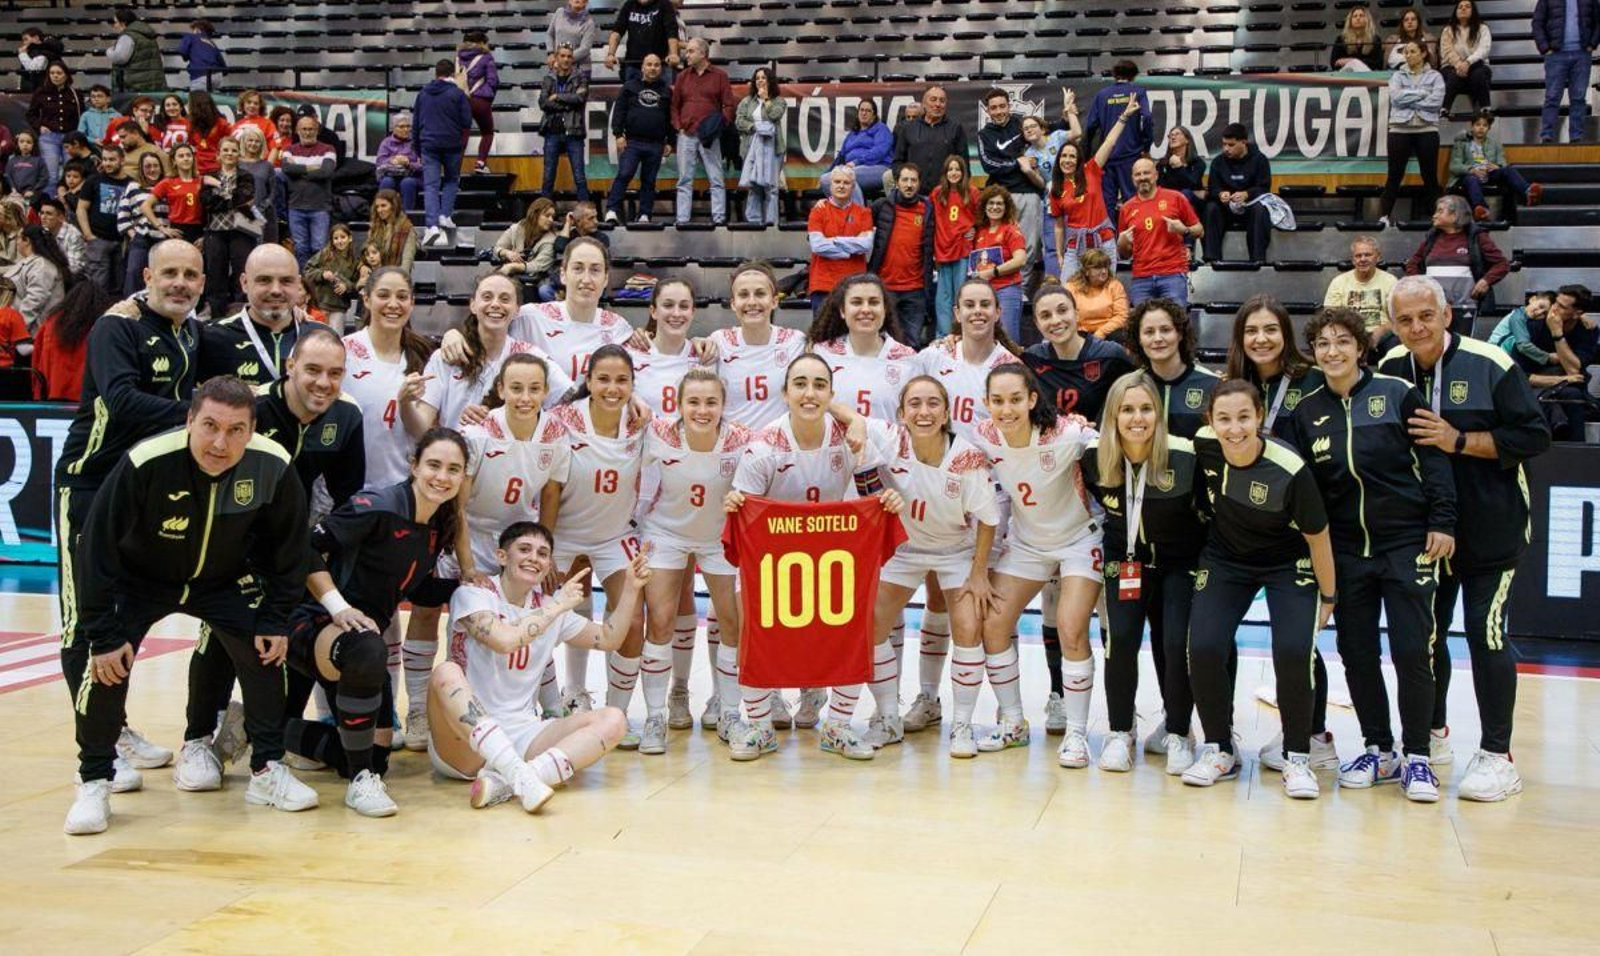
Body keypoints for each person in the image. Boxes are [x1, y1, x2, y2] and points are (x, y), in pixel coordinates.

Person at [62, 376, 314, 835]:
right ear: (189, 421)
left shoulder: (273, 465)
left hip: (220, 581)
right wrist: (103, 634)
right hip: (139, 580)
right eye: (210, 427)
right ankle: (94, 779)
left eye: (236, 430)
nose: (221, 442)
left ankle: (267, 768)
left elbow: (290, 551)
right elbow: (95, 549)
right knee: (106, 666)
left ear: (253, 430)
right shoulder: (146, 461)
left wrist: (275, 618)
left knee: (266, 651)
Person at [1377, 275, 1551, 801]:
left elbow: (1534, 436)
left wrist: (1460, 441)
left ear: (1447, 315)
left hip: (1491, 528)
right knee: (1426, 635)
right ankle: (1432, 733)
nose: (1416, 327)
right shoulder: (1389, 370)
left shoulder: (1490, 364)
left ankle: (1499, 755)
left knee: (1485, 633)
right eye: (1404, 319)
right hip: (1425, 532)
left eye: (1425, 316)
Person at [180, 329, 367, 780]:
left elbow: (349, 501)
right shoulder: (253, 409)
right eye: (313, 371)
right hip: (232, 539)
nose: (323, 382)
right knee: (221, 636)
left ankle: (268, 736)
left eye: (335, 373)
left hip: (291, 543)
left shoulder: (346, 417)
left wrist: (322, 549)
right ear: (290, 368)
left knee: (287, 634)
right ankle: (196, 739)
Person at [1290, 307, 1456, 802]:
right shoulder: (1307, 411)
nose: (1333, 351)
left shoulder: (1397, 394)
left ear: (1361, 348)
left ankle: (1419, 757)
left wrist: (1442, 521)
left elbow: (1434, 459)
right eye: (1322, 344)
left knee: (1412, 651)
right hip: (1346, 553)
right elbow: (1306, 488)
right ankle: (1379, 749)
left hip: (1407, 544)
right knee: (1357, 653)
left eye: (1342, 341)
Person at [53, 241, 204, 780]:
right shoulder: (117, 328)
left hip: (142, 491)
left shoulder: (191, 331)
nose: (179, 283)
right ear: (147, 275)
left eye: (190, 274)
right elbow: (121, 400)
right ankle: (99, 743)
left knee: (124, 615)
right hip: (89, 485)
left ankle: (114, 725)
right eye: (170, 273)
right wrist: (202, 414)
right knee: (83, 621)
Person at [723, 353, 902, 761]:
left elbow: (872, 489)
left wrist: (885, 500)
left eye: (819, 385)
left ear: (831, 394)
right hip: (771, 561)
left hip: (830, 555)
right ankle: (759, 726)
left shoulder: (849, 436)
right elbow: (744, 510)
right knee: (751, 623)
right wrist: (736, 502)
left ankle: (837, 726)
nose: (810, 393)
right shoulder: (763, 446)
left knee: (854, 625)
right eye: (800, 384)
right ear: (785, 394)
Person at [286, 428, 469, 816]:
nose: (442, 476)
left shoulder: (436, 527)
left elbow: (418, 591)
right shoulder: (379, 504)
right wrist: (338, 607)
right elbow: (305, 548)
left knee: (378, 751)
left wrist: (473, 589)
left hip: (359, 639)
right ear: (414, 465)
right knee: (370, 647)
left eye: (454, 469)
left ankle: (260, 729)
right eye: (434, 465)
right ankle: (360, 782)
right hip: (309, 620)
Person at [1183, 380, 1337, 797]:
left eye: (1244, 417)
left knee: (1292, 650)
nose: (1234, 428)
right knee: (1204, 646)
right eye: (1224, 419)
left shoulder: (1289, 468)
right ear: (1210, 421)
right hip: (1226, 559)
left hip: (1288, 563)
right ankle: (1219, 748)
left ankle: (1298, 756)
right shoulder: (1204, 444)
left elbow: (1318, 537)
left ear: (1259, 417)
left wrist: (1328, 596)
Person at [428, 522, 641, 810]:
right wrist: (557, 606)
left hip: (523, 734)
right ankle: (517, 772)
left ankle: (516, 778)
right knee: (445, 672)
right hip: (465, 741)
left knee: (614, 720)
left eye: (543, 553)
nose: (534, 558)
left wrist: (631, 588)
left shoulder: (552, 606)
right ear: (502, 556)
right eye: (524, 549)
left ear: (549, 564)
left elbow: (609, 638)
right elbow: (505, 641)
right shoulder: (474, 594)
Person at [841, 376, 999, 756]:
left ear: (946, 412)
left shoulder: (967, 457)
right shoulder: (890, 438)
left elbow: (989, 519)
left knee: (967, 625)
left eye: (932, 404)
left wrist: (978, 572)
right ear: (901, 412)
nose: (923, 412)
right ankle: (888, 717)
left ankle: (962, 724)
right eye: (915, 404)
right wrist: (858, 422)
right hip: (905, 550)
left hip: (954, 551)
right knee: (869, 624)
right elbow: (836, 407)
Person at [971, 363, 1100, 763]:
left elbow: (1110, 448)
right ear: (986, 403)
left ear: (1031, 400)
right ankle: (1013, 722)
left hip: (1080, 538)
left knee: (1071, 627)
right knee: (992, 624)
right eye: (997, 401)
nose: (1005, 409)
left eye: (1014, 399)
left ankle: (1077, 734)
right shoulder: (982, 437)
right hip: (1028, 543)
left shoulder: (1068, 434)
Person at [1080, 371, 1206, 773]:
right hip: (1125, 559)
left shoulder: (1186, 456)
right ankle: (1120, 732)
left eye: (1146, 409)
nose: (1138, 418)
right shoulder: (1094, 457)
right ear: (1113, 416)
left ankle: (1179, 731)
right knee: (1120, 640)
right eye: (1127, 410)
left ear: (1159, 413)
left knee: (1174, 643)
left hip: (1179, 563)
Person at [635, 369, 751, 754]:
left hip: (719, 537)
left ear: (723, 406)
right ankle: (655, 716)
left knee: (732, 622)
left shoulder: (741, 441)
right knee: (661, 621)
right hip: (666, 533)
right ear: (678, 405)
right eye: (694, 402)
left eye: (711, 402)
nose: (702, 410)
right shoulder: (657, 433)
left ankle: (731, 712)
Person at [807, 273, 920, 423]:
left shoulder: (908, 359)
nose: (865, 309)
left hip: (887, 446)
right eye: (856, 302)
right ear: (842, 310)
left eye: (873, 302)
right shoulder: (822, 353)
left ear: (885, 309)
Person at [1052, 96, 1138, 281]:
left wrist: (1124, 116)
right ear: (1058, 159)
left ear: (1078, 160)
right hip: (1075, 247)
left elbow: (1109, 142)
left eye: (1072, 156)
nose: (1067, 160)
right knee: (1069, 292)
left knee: (1106, 292)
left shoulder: (1091, 170)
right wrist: (1059, 254)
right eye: (1064, 156)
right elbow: (1059, 226)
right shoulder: (1056, 189)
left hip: (1104, 242)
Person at [1225, 294, 1326, 439]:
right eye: (1251, 331)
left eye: (1271, 330)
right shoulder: (1231, 386)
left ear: (1285, 334)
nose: (1261, 339)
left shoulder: (1316, 380)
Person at [1126, 297, 1219, 440]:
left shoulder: (1212, 385)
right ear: (1139, 339)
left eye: (1165, 330)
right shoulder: (1128, 386)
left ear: (1180, 334)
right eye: (1149, 332)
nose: (1157, 338)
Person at [977, 89, 1043, 284]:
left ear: (1009, 106)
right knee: (1001, 244)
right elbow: (989, 165)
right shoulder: (984, 134)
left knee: (1029, 246)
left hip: (1029, 193)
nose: (998, 111)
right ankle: (1001, 286)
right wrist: (1018, 163)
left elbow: (1046, 130)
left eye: (1002, 106)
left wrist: (1068, 118)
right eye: (994, 108)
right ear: (988, 111)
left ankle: (1021, 288)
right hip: (1002, 198)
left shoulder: (1022, 125)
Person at [866, 165, 935, 346]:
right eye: (905, 180)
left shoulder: (928, 208)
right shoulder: (881, 206)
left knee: (912, 344)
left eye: (913, 180)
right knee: (884, 344)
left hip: (916, 289)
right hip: (885, 287)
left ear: (919, 184)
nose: (909, 185)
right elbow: (857, 221)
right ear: (897, 183)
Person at [1404, 195, 1509, 311]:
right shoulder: (1431, 238)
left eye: (1440, 211)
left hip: (1466, 307)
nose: (1434, 216)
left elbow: (1502, 264)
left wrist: (1486, 281)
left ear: (1455, 215)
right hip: (1432, 308)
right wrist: (1419, 284)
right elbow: (1413, 263)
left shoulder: (1476, 237)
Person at [1117, 159, 1200, 306]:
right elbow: (1125, 254)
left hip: (1172, 274)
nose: (1142, 177)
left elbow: (1199, 230)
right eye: (1138, 174)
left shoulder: (1175, 198)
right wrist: (1121, 244)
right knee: (1142, 326)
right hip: (1141, 278)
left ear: (1156, 175)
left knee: (1175, 324)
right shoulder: (1126, 208)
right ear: (1132, 178)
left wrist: (1184, 230)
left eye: (1146, 173)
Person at [1380, 41, 1445, 227]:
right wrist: (1423, 93)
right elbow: (1396, 98)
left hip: (1427, 128)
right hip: (1400, 128)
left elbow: (1436, 102)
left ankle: (1437, 218)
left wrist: (1410, 97)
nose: (1408, 55)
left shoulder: (1435, 76)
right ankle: (1384, 216)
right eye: (1406, 52)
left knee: (1430, 176)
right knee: (1394, 175)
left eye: (1413, 51)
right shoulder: (1397, 76)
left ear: (1423, 53)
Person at [671, 37, 734, 226]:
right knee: (684, 179)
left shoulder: (720, 76)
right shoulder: (682, 76)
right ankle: (682, 219)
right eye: (687, 51)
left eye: (690, 51)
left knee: (716, 177)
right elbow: (674, 105)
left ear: (703, 53)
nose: (686, 55)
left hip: (709, 135)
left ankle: (719, 217)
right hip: (687, 133)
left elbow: (728, 104)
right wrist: (678, 126)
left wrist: (720, 124)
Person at [1522, 284, 1598, 441]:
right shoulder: (1534, 326)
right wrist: (1560, 381)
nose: (1554, 309)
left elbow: (1573, 370)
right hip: (1531, 388)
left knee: (1571, 396)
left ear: (1577, 313)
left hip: (1566, 389)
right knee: (1567, 396)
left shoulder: (1587, 330)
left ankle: (1575, 455)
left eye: (1562, 307)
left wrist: (1557, 334)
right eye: (1555, 302)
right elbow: (1518, 376)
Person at [1082, 60, 1154, 221]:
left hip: (1107, 157)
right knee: (1132, 200)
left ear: (1115, 74)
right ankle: (1134, 239)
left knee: (1107, 202)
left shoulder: (1102, 94)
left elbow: (1091, 125)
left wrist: (1088, 153)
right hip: (1130, 154)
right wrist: (1146, 144)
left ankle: (1108, 244)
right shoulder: (1138, 92)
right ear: (1134, 75)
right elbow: (1147, 118)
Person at [605, 52, 672, 224]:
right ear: (642, 67)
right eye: (649, 64)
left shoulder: (666, 90)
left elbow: (671, 117)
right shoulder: (629, 87)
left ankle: (644, 215)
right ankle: (612, 210)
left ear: (661, 68)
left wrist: (671, 141)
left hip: (656, 144)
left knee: (649, 181)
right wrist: (618, 135)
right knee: (624, 174)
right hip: (633, 142)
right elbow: (619, 112)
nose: (653, 68)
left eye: (656, 65)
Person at [200, 138, 262, 319]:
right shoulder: (208, 176)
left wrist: (219, 187)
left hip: (241, 231)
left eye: (233, 150)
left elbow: (243, 197)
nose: (229, 154)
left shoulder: (245, 176)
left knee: (241, 271)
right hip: (215, 231)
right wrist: (231, 197)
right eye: (225, 150)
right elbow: (208, 203)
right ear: (218, 154)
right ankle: (216, 312)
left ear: (239, 154)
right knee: (215, 272)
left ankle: (241, 313)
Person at [414, 59, 473, 248]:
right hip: (452, 144)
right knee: (451, 180)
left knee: (431, 185)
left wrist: (417, 148)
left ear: (436, 73)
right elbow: (466, 121)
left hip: (428, 144)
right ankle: (445, 215)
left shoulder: (423, 94)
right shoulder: (457, 94)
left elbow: (415, 124)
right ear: (452, 74)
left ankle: (431, 226)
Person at [1449, 111, 1544, 221]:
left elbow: (1502, 162)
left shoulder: (1495, 143)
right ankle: (1482, 210)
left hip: (1489, 174)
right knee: (1471, 180)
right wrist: (1471, 170)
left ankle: (1528, 193)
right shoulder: (1461, 144)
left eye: (1484, 125)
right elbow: (1454, 166)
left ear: (1489, 128)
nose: (1481, 128)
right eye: (1478, 125)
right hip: (1469, 177)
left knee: (1508, 170)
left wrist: (1497, 166)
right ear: (1472, 126)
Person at [1202, 123, 1273, 265]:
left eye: (1231, 145)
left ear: (1243, 142)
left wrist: (1247, 194)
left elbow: (1264, 188)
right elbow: (1212, 188)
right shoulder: (1218, 162)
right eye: (1224, 144)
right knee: (1211, 208)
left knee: (1260, 209)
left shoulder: (1259, 160)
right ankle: (1211, 258)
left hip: (1249, 207)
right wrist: (1220, 194)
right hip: (1226, 209)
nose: (1226, 149)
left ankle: (1258, 259)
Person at [806, 168, 874, 316]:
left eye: (846, 183)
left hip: (855, 284)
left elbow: (866, 245)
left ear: (853, 186)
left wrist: (833, 241)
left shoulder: (864, 213)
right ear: (830, 185)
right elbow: (817, 246)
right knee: (823, 336)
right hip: (823, 284)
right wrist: (850, 249)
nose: (841, 186)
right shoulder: (818, 211)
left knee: (853, 336)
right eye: (837, 182)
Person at [1533, 0, 1600, 144]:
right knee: (1552, 97)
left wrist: (1592, 44)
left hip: (1582, 54)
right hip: (1556, 55)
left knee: (1579, 98)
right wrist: (1545, 48)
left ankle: (1576, 137)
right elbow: (1537, 23)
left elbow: (1598, 21)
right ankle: (1547, 135)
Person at [929, 154, 978, 339]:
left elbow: (980, 217)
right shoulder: (937, 193)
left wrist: (974, 227)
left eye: (958, 169)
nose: (954, 173)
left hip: (963, 249)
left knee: (961, 293)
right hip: (942, 249)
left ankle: (961, 334)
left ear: (964, 172)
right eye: (951, 169)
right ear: (945, 172)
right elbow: (931, 220)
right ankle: (943, 336)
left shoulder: (972, 193)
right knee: (943, 297)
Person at [31, 283, 109, 400]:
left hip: (52, 394)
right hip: (88, 399)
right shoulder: (103, 324)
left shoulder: (52, 322)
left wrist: (37, 396)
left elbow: (36, 360)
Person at [969, 185, 1028, 340]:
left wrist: (993, 272)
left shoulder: (1011, 230)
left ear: (1006, 207)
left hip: (1007, 290)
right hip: (985, 293)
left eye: (999, 204)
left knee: (1008, 339)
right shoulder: (980, 231)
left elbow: (1021, 259)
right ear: (984, 207)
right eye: (991, 203)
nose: (995, 207)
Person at [891, 85, 970, 195]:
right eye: (933, 100)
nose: (937, 104)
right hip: (914, 195)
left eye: (942, 101)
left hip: (945, 195)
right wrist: (904, 183)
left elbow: (964, 165)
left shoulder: (956, 129)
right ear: (924, 103)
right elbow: (898, 162)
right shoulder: (909, 129)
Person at [1023, 113, 1074, 281]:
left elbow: (1077, 132)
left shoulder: (1057, 137)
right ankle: (1054, 283)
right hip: (1050, 199)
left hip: (1072, 195)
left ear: (1042, 128)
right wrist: (1029, 172)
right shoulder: (1029, 154)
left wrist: (1070, 111)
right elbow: (1040, 183)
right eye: (1025, 128)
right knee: (1052, 247)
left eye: (1032, 126)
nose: (1029, 129)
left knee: (1074, 243)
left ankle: (1076, 283)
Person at [539, 44, 591, 205]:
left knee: (579, 176)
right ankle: (543, 214)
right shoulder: (548, 78)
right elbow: (543, 102)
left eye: (569, 56)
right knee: (548, 176)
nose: (566, 59)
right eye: (563, 56)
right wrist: (567, 103)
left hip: (574, 133)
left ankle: (585, 213)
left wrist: (557, 97)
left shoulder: (580, 77)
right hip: (552, 132)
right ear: (556, 57)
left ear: (573, 59)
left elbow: (580, 99)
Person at [282, 115, 336, 268]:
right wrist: (312, 168)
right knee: (300, 249)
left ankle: (317, 285)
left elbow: (326, 172)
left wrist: (298, 170)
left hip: (320, 208)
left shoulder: (328, 149)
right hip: (296, 207)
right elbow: (286, 168)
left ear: (317, 130)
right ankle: (303, 284)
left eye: (311, 129)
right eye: (304, 129)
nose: (307, 132)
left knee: (319, 248)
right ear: (297, 131)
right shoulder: (289, 149)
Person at [736, 66, 787, 227]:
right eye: (757, 78)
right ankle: (753, 222)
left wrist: (766, 99)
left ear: (770, 81)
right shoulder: (746, 101)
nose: (760, 81)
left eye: (763, 78)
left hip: (773, 149)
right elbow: (739, 121)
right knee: (754, 186)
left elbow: (774, 115)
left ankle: (771, 223)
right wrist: (755, 127)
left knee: (771, 187)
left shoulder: (779, 101)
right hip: (750, 146)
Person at [74, 145, 129, 295]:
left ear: (122, 160)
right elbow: (81, 208)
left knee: (119, 285)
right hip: (98, 239)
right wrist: (88, 235)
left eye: (112, 159)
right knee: (97, 286)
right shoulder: (94, 180)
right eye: (104, 159)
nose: (107, 163)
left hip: (121, 241)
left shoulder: (131, 183)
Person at [820, 100, 894, 207]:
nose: (864, 113)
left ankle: (859, 216)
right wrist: (828, 172)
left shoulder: (881, 129)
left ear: (874, 115)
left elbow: (879, 151)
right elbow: (841, 157)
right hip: (852, 169)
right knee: (825, 179)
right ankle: (843, 212)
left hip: (879, 168)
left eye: (868, 111)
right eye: (861, 110)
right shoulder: (852, 134)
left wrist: (857, 162)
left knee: (848, 176)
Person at [1323, 235, 1398, 337]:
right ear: (1353, 260)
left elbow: (1399, 319)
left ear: (1378, 257)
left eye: (1368, 255)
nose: (1362, 259)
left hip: (1382, 336)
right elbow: (1330, 316)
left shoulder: (1391, 281)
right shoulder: (1338, 282)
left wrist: (1382, 330)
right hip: (1349, 334)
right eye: (1358, 256)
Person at [27, 61, 82, 195]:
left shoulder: (74, 93)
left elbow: (81, 115)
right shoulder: (41, 92)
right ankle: (50, 206)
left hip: (70, 138)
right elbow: (31, 114)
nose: (55, 76)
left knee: (71, 174)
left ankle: (70, 207)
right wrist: (39, 127)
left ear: (66, 75)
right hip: (49, 137)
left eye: (59, 73)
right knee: (51, 174)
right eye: (52, 73)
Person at [116, 152, 166, 294]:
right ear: (141, 169)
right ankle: (130, 309)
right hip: (142, 238)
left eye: (155, 166)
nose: (152, 169)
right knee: (134, 273)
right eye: (147, 166)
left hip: (163, 240)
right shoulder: (133, 187)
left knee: (160, 277)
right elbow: (123, 214)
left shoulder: (168, 186)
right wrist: (133, 234)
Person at [3, 225, 70, 330]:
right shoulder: (33, 263)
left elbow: (33, 303)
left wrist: (15, 330)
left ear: (27, 241)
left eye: (18, 238)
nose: (17, 242)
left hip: (32, 334)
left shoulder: (42, 267)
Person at [1440, 0, 1493, 118]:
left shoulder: (1483, 28)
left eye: (1467, 7)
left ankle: (1485, 108)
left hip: (1477, 65)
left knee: (1479, 74)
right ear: (1456, 11)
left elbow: (1484, 49)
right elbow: (1447, 51)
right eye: (1460, 7)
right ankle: (1444, 109)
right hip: (1453, 66)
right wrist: (1459, 64)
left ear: (1473, 10)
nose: (1463, 9)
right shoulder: (1447, 30)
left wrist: (1468, 62)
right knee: (1453, 76)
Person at [143, 143, 205, 244]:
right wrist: (162, 228)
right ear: (174, 161)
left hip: (199, 231)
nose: (186, 158)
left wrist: (205, 236)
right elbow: (145, 206)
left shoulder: (202, 181)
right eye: (181, 156)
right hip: (177, 230)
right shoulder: (168, 182)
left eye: (188, 155)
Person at [605, 0, 681, 82]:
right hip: (633, 66)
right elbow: (617, 31)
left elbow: (671, 33)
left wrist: (673, 54)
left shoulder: (664, 4)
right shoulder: (629, 5)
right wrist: (610, 54)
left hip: (659, 66)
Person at [457, 30, 500, 174]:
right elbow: (493, 81)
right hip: (480, 100)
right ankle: (480, 164)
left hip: (461, 101)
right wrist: (487, 97)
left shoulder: (458, 57)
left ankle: (455, 167)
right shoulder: (487, 57)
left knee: (462, 135)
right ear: (482, 43)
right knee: (487, 133)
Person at [303, 224, 360, 329]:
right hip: (321, 304)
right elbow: (307, 271)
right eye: (336, 238)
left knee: (336, 337)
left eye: (343, 237)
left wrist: (346, 286)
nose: (339, 241)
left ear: (350, 238)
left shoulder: (355, 261)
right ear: (332, 240)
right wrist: (322, 274)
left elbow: (357, 286)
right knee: (319, 335)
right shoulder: (324, 254)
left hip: (339, 306)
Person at [1064, 250, 1129, 339]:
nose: (1103, 271)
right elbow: (1066, 315)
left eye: (1105, 267)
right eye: (1098, 268)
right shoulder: (1071, 287)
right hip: (1081, 332)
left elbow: (1122, 316)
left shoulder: (1115, 285)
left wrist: (1101, 332)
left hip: (1109, 332)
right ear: (1086, 271)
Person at [493, 197, 558, 281]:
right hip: (510, 275)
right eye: (547, 216)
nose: (551, 220)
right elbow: (496, 249)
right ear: (535, 214)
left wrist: (512, 267)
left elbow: (538, 266)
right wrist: (507, 253)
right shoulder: (516, 229)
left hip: (535, 281)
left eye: (553, 217)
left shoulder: (551, 240)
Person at [106, 7, 165, 94]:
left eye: (115, 22)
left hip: (134, 85)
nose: (114, 26)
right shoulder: (147, 34)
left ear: (123, 23)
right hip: (152, 82)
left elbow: (120, 58)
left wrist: (109, 51)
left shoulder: (128, 36)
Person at [374, 113, 422, 211]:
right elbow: (379, 163)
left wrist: (408, 163)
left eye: (408, 126)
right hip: (391, 176)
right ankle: (384, 215)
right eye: (402, 127)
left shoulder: (416, 143)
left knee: (407, 183)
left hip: (412, 176)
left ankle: (407, 216)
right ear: (394, 128)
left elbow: (423, 165)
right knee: (386, 182)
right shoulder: (386, 143)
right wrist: (392, 160)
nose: (406, 129)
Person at [366, 189, 417, 274]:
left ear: (393, 206)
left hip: (396, 277)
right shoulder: (375, 227)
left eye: (383, 206)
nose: (379, 210)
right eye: (377, 206)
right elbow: (366, 252)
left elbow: (406, 262)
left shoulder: (406, 229)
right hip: (375, 275)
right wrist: (363, 266)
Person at [1158, 127, 1206, 213]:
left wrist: (1179, 167)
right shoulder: (1162, 164)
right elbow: (1161, 186)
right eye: (1170, 135)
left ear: (1187, 140)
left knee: (1185, 193)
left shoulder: (1197, 162)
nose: (1173, 137)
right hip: (1169, 201)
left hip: (1192, 203)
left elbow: (1193, 184)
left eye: (1177, 134)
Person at [37, 198, 87, 278]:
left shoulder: (73, 235)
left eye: (49, 214)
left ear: (61, 217)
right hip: (52, 274)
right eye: (42, 213)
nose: (43, 217)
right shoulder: (42, 231)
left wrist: (51, 274)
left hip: (74, 279)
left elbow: (76, 267)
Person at [549, 0, 598, 78]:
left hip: (580, 69)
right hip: (557, 66)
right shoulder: (559, 12)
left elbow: (585, 48)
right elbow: (550, 34)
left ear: (585, 2)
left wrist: (564, 59)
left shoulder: (589, 23)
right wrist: (550, 53)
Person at [178, 19, 226, 92]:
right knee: (211, 99)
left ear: (197, 29)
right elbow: (222, 63)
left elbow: (182, 50)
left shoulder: (191, 37)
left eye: (193, 30)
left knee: (197, 100)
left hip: (200, 74)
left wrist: (186, 57)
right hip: (217, 75)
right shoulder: (211, 43)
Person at [1333, 6, 1384, 70]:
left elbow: (1378, 64)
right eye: (1355, 16)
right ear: (1350, 21)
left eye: (1361, 15)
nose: (1358, 18)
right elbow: (1334, 63)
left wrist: (1352, 61)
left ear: (1367, 20)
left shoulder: (1375, 39)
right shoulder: (1341, 39)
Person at [18, 27, 66, 94]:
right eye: (23, 40)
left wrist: (22, 54)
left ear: (36, 38)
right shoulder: (36, 52)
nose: (24, 43)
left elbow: (33, 69)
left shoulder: (43, 51)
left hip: (43, 91)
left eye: (26, 39)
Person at [4, 130, 48, 204]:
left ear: (33, 144)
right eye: (22, 142)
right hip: (15, 195)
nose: (25, 144)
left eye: (28, 142)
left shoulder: (39, 161)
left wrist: (33, 191)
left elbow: (44, 178)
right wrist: (13, 188)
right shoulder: (12, 160)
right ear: (17, 143)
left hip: (31, 196)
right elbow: (8, 176)